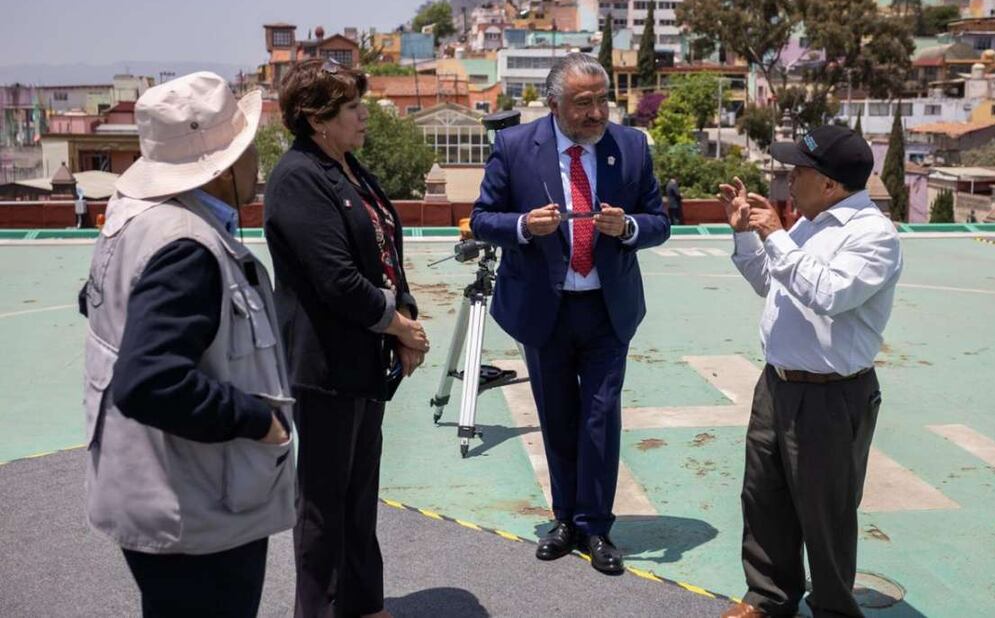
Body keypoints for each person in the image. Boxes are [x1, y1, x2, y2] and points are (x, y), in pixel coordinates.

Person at [79, 72, 294, 618]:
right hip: (198, 511)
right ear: (219, 169)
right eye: (247, 151)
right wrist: (257, 420)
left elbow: (98, 304)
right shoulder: (187, 246)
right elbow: (150, 381)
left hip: (156, 493)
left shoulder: (135, 220)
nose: (256, 166)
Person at [471, 53, 670, 576]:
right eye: (584, 104)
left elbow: (659, 220)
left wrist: (627, 228)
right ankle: (563, 521)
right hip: (545, 309)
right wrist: (522, 226)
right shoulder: (515, 147)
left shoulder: (630, 146)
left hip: (608, 309)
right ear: (554, 103)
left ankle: (596, 526)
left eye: (603, 101)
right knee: (557, 415)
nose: (597, 113)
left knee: (600, 418)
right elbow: (481, 218)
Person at [263, 58, 428, 618]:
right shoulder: (297, 178)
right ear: (317, 119)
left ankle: (363, 603)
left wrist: (403, 314)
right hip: (326, 367)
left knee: (359, 496)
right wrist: (398, 324)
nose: (364, 118)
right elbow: (337, 280)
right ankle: (319, 609)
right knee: (324, 506)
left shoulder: (348, 167)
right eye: (353, 109)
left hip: (362, 361)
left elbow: (386, 248)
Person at [718, 125, 903, 618]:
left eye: (798, 170)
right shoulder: (808, 223)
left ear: (829, 184)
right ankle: (768, 598)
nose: (788, 178)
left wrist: (776, 235)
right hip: (777, 384)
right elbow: (770, 281)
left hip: (830, 395)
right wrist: (746, 236)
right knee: (764, 499)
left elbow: (828, 295)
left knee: (825, 514)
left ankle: (834, 609)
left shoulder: (873, 236)